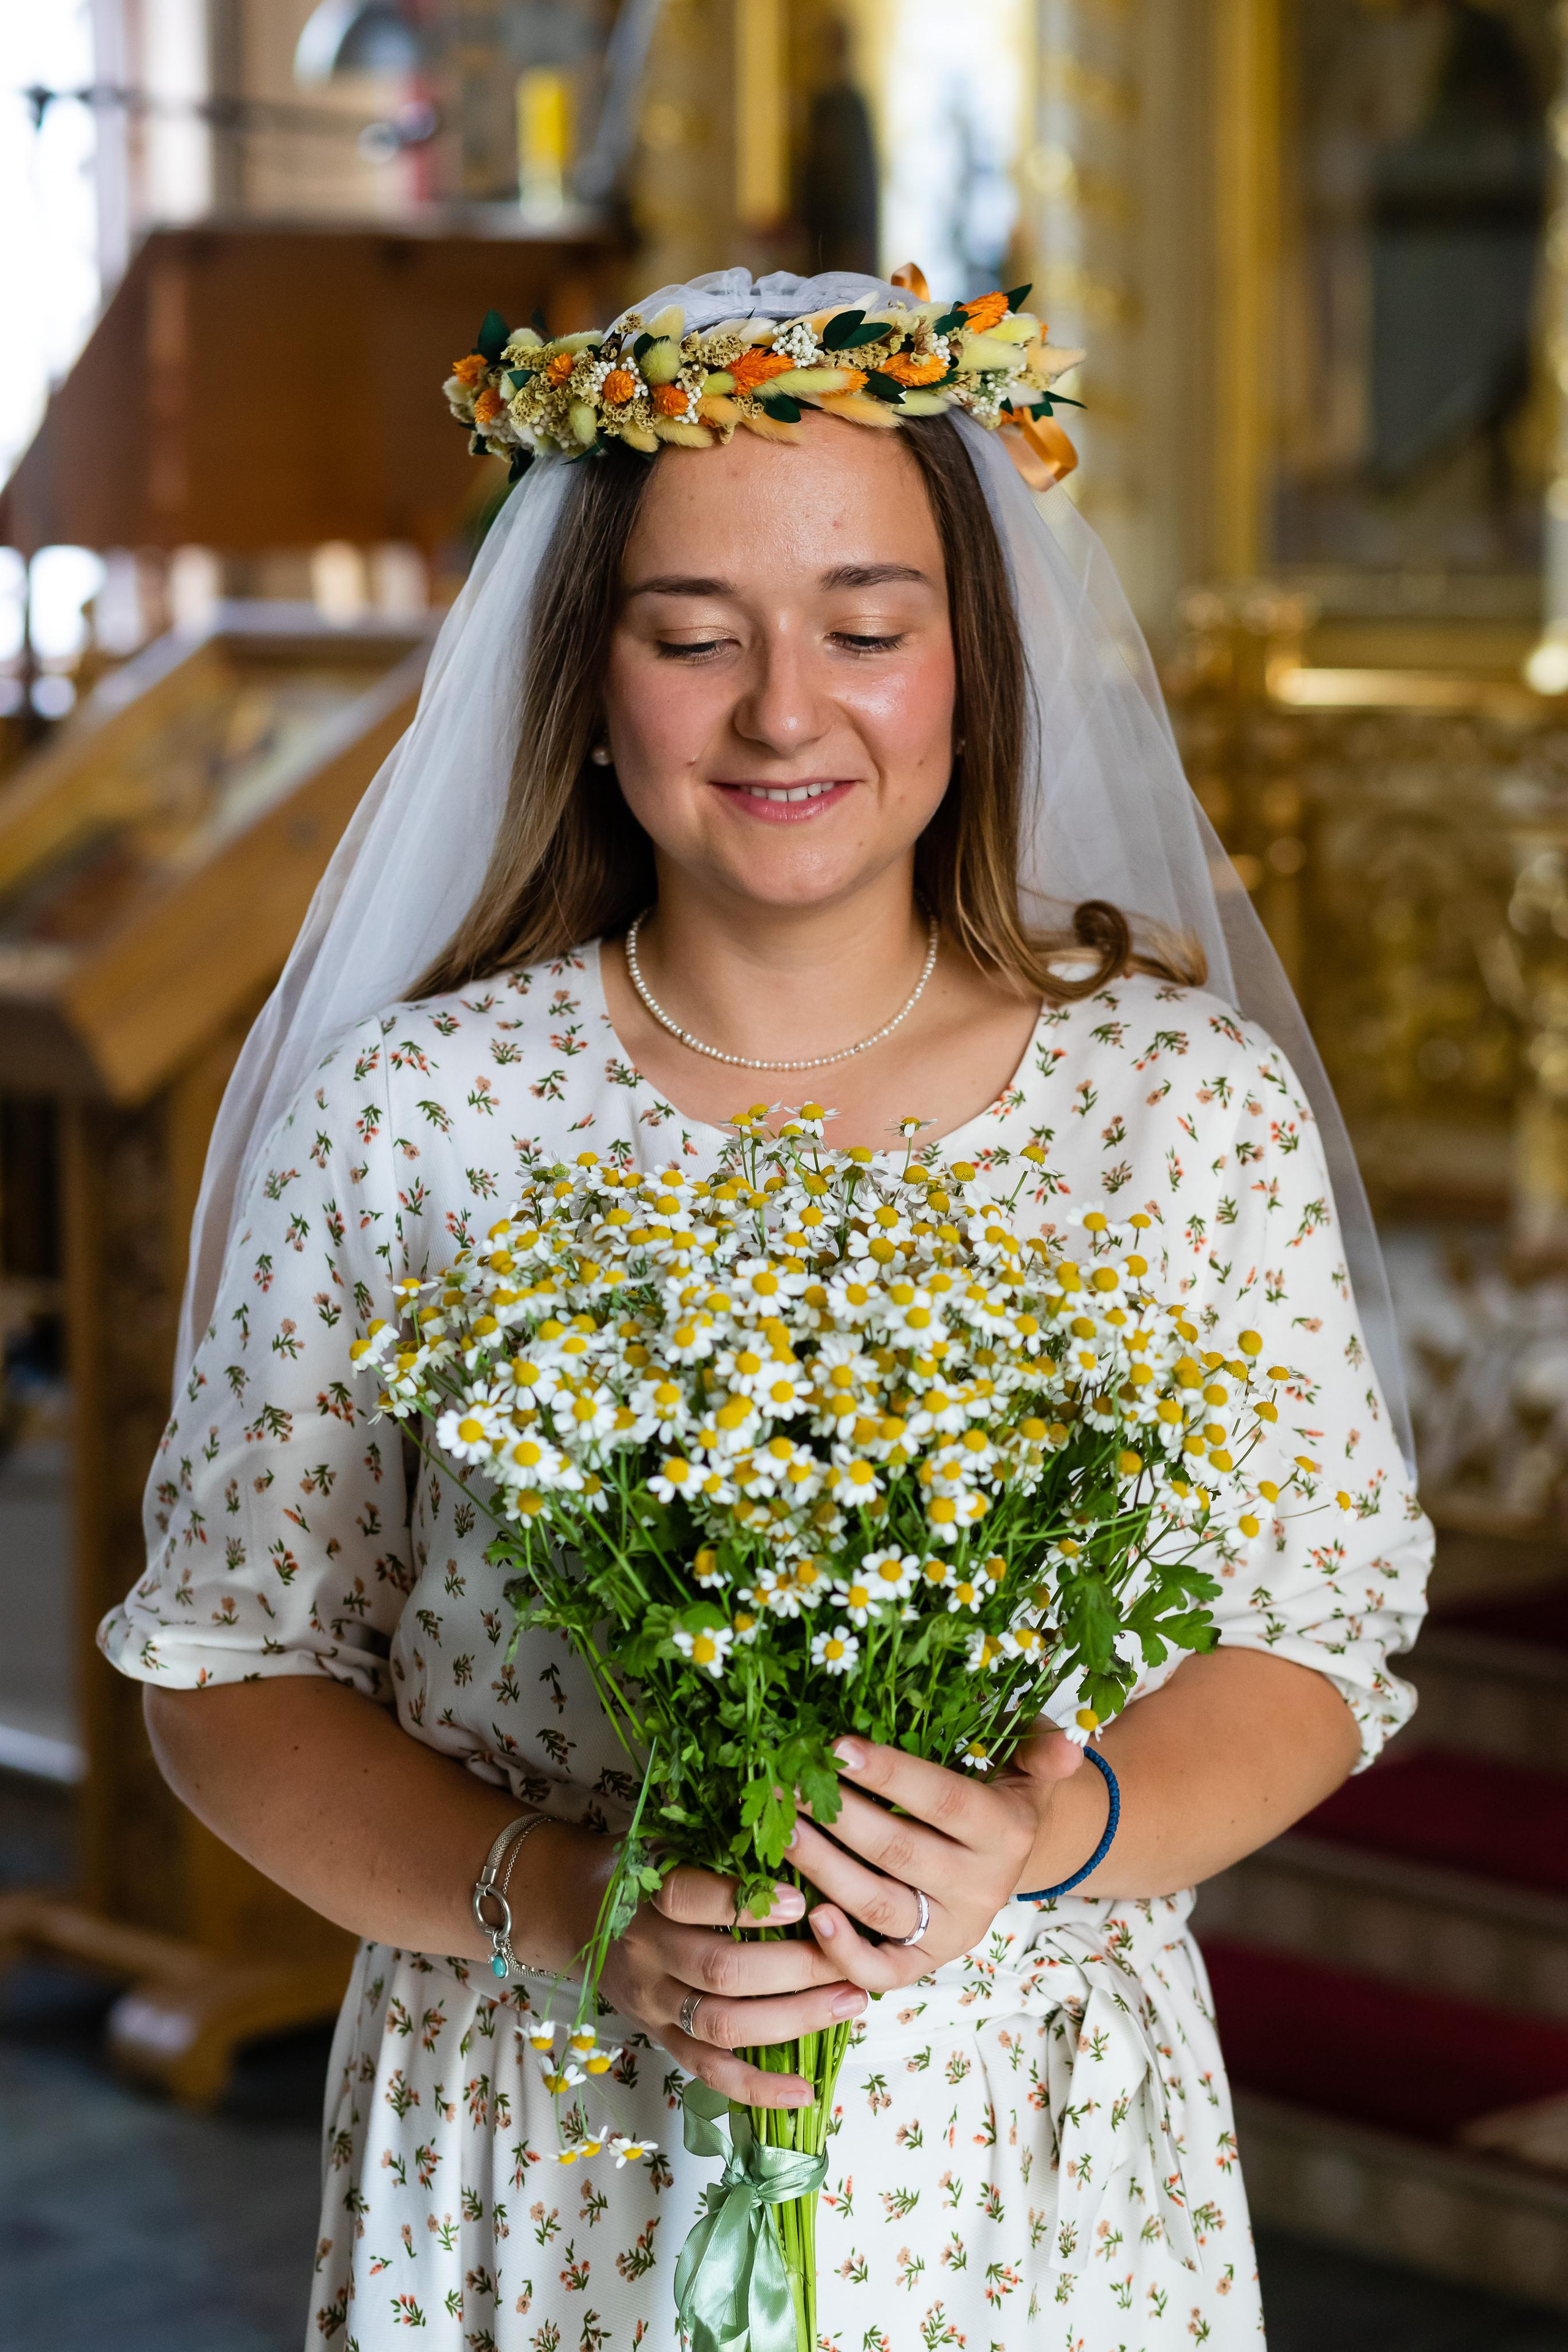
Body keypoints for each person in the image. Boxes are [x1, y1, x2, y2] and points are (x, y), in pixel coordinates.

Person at [101, 270, 1430, 2350]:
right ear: (589, 675)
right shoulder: (422, 1117)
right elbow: (229, 1670)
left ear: (973, 672)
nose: (783, 713)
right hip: (541, 2135)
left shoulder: (1175, 1106)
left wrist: (1046, 1835)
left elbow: (1315, 1624)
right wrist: (573, 1906)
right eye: (694, 635)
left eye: (867, 633)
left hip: (1033, 2148)